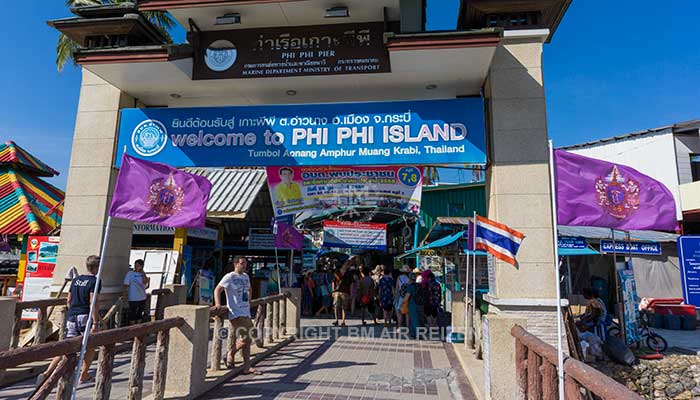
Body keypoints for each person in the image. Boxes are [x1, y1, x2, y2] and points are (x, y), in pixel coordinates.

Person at [41, 255, 101, 385]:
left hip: (72, 315)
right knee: (90, 346)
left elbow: (68, 300)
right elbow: (93, 302)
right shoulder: (94, 281)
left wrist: (72, 311)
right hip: (84, 315)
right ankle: (83, 375)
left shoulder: (76, 280)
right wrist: (95, 322)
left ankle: (48, 372)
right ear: (96, 267)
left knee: (67, 345)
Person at [213, 256, 261, 375]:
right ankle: (231, 353)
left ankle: (245, 365)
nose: (244, 265)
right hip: (235, 311)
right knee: (248, 337)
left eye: (245, 263)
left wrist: (248, 301)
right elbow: (217, 289)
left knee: (247, 340)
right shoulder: (229, 276)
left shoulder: (246, 277)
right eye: (242, 263)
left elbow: (249, 290)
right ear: (235, 264)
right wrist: (218, 303)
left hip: (245, 310)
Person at [123, 259, 150, 325]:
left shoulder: (143, 274)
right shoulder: (130, 273)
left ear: (142, 266)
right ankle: (132, 327)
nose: (136, 267)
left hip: (142, 296)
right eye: (135, 265)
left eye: (138, 266)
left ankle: (138, 327)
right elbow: (126, 285)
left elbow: (145, 283)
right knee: (132, 313)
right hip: (133, 297)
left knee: (139, 313)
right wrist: (125, 294)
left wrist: (143, 273)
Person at [402, 273, 421, 338]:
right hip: (419, 304)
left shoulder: (410, 287)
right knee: (417, 318)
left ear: (409, 279)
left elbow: (406, 298)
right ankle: (413, 333)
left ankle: (416, 334)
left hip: (412, 304)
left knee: (414, 319)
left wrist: (402, 302)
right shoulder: (418, 285)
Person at [394, 265, 411, 332]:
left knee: (399, 312)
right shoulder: (409, 278)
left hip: (400, 297)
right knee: (407, 313)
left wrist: (395, 299)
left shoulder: (399, 277)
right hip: (407, 296)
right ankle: (408, 327)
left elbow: (397, 289)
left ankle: (399, 327)